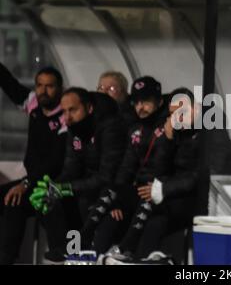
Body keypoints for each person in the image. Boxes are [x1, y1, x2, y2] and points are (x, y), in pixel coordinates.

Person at [104, 87, 206, 264]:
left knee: (150, 200)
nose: (178, 118)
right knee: (119, 199)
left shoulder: (208, 132)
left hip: (193, 199)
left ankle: (125, 250)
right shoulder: (176, 132)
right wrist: (167, 140)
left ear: (195, 109)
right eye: (173, 114)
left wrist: (163, 188)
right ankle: (142, 259)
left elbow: (200, 175)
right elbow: (160, 170)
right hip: (170, 196)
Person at [78, 76, 173, 256]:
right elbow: (126, 167)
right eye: (136, 102)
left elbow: (163, 166)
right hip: (139, 190)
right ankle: (86, 242)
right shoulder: (136, 128)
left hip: (161, 192)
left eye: (146, 101)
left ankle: (124, 249)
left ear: (160, 102)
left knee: (147, 198)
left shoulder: (167, 127)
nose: (140, 107)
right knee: (111, 195)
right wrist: (118, 200)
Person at [29, 88, 128, 262]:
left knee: (81, 200)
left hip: (115, 189)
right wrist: (53, 188)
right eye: (64, 111)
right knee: (49, 200)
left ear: (89, 108)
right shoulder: (74, 129)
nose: (67, 117)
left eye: (72, 110)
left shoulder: (110, 127)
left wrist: (66, 188)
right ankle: (65, 249)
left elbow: (107, 176)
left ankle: (81, 251)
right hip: (90, 186)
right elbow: (70, 169)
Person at [0, 62, 68, 264]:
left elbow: (56, 162)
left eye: (49, 86)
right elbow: (9, 84)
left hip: (53, 182)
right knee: (12, 200)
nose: (43, 91)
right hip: (31, 179)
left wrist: (26, 183)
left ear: (60, 89)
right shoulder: (34, 105)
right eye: (39, 85)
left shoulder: (66, 115)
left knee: (18, 200)